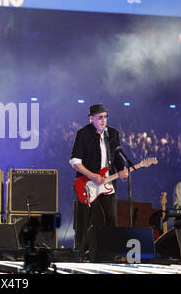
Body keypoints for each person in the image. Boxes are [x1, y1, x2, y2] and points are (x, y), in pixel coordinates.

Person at [69, 103, 128, 251]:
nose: (103, 120)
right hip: (87, 183)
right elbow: (75, 161)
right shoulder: (83, 134)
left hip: (107, 184)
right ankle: (81, 251)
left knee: (111, 219)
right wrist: (92, 176)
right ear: (91, 118)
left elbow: (117, 157)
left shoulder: (113, 134)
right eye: (99, 117)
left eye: (105, 117)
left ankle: (110, 251)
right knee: (84, 220)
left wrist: (123, 171)